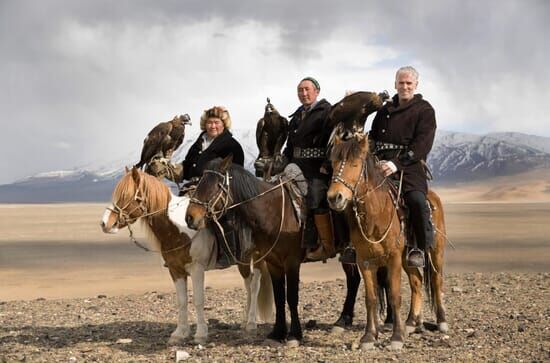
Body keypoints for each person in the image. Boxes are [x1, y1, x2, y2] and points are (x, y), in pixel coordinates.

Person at [149, 106, 244, 268]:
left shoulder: (232, 145)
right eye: (209, 123)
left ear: (224, 124)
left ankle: (228, 253)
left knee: (222, 216)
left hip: (217, 191)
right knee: (171, 214)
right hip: (192, 188)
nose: (213, 126)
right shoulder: (200, 142)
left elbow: (236, 173)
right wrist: (167, 169)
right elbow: (186, 168)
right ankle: (176, 253)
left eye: (216, 123)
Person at [369, 66, 436, 268]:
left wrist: (396, 164)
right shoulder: (383, 111)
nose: (405, 86)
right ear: (395, 84)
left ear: (416, 85)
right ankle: (355, 244)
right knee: (357, 195)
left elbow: (422, 145)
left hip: (410, 167)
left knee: (416, 200)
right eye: (401, 83)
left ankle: (419, 247)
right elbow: (373, 135)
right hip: (379, 166)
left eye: (409, 83)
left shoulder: (424, 110)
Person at [283, 77, 336, 261]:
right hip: (295, 165)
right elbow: (290, 146)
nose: (303, 94)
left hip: (318, 167)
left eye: (307, 89)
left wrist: (328, 164)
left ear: (317, 91)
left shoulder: (327, 112)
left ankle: (325, 245)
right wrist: (281, 161)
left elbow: (333, 141)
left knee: (315, 196)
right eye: (300, 90)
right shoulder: (297, 116)